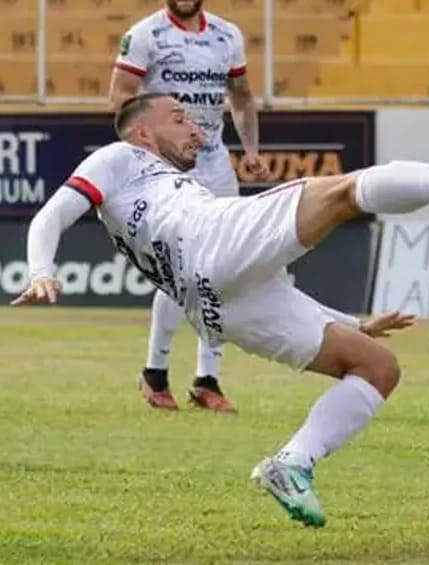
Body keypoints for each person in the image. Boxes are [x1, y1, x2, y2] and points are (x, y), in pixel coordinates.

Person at [11, 93, 429, 528]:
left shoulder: (171, 183)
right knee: (346, 190)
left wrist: (356, 324)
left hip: (215, 305)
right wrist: (40, 269)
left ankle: (291, 465)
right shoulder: (120, 157)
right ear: (142, 133)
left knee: (377, 366)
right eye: (179, 120)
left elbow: (256, 280)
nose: (195, 130)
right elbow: (51, 215)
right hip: (210, 242)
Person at [109, 0, 270, 412]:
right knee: (180, 267)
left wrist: (250, 149)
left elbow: (243, 97)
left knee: (224, 267)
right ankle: (155, 371)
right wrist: (147, 149)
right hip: (168, 166)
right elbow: (122, 96)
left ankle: (207, 379)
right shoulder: (144, 34)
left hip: (215, 165)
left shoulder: (227, 35)